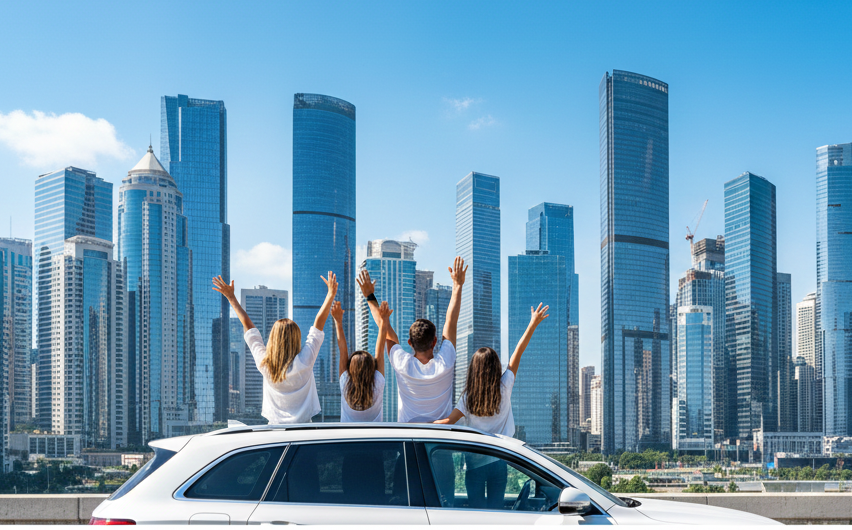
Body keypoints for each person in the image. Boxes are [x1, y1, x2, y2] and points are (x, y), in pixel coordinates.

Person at [434, 302, 549, 509]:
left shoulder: (468, 397)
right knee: (497, 514)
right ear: (496, 367)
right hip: (499, 461)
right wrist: (533, 324)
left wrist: (420, 424)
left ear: (474, 370)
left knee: (478, 515)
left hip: (474, 466)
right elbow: (518, 352)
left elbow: (447, 422)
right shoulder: (504, 386)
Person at [213, 271, 337, 424]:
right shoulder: (305, 361)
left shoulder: (265, 364)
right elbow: (318, 326)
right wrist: (330, 294)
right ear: (296, 339)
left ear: (273, 339)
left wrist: (231, 298)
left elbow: (249, 327)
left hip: (274, 433)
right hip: (304, 432)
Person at [357, 257, 466, 423]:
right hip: (442, 437)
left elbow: (383, 327)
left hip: (409, 436)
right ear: (435, 341)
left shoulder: (402, 363)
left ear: (410, 343)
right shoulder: (446, 362)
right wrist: (457, 286)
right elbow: (451, 321)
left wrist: (369, 296)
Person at [334, 299, 393, 422]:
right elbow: (380, 350)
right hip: (375, 439)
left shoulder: (345, 382)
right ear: (372, 367)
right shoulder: (378, 382)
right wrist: (383, 321)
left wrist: (338, 322)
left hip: (346, 439)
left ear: (350, 369)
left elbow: (342, 349)